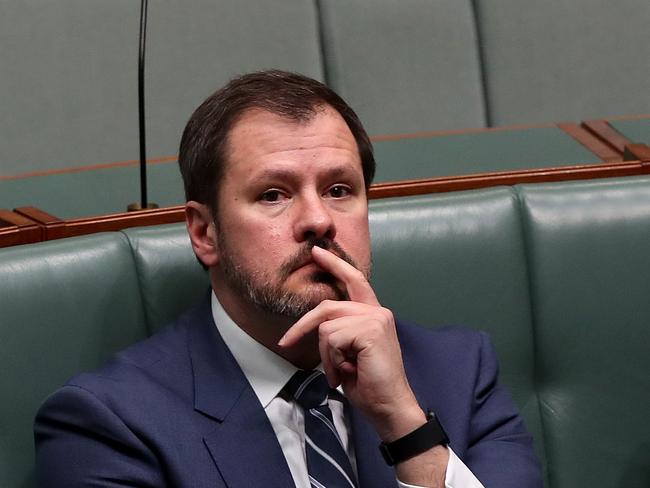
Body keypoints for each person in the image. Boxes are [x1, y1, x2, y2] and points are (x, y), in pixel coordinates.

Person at [35, 70, 542, 487]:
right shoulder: (110, 425)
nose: (319, 220)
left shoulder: (460, 374)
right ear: (204, 232)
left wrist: (405, 428)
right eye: (274, 195)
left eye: (340, 189)